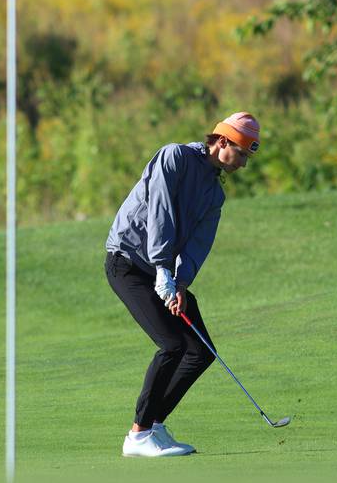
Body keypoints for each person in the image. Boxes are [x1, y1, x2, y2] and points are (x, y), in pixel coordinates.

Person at [104, 111, 261, 457]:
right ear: (222, 141)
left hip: (162, 274)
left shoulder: (214, 195)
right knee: (172, 344)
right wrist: (162, 268)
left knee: (200, 350)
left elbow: (196, 246)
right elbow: (160, 212)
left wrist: (179, 282)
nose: (243, 164)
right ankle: (137, 436)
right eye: (241, 154)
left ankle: (155, 425)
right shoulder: (174, 157)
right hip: (128, 263)